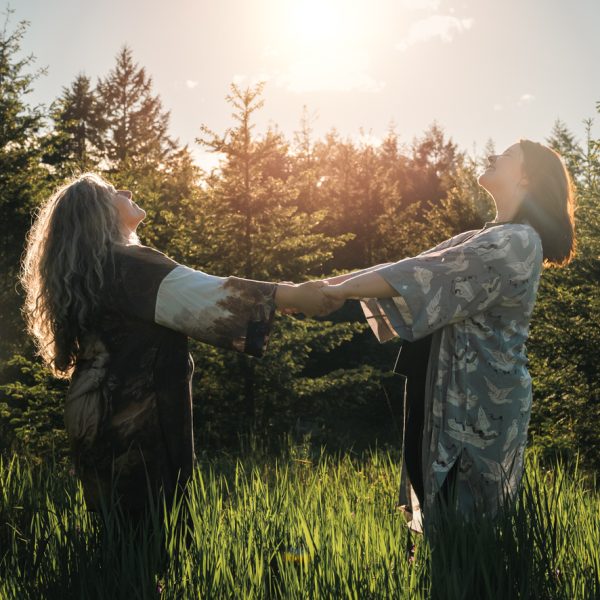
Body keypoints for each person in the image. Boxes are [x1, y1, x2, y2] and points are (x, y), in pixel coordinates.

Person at [20, 172, 338, 519]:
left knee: (113, 529)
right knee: (155, 526)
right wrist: (290, 295)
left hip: (91, 409)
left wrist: (284, 293)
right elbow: (207, 294)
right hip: (134, 414)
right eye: (113, 191)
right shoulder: (130, 264)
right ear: (98, 212)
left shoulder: (91, 272)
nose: (126, 189)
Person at [320, 139, 576, 533]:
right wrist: (326, 285)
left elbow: (420, 277)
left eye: (507, 156)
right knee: (444, 510)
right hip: (444, 387)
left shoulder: (517, 241)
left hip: (478, 402)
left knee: (468, 523)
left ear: (526, 176)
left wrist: (333, 291)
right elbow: (411, 266)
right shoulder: (484, 235)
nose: (494, 156)